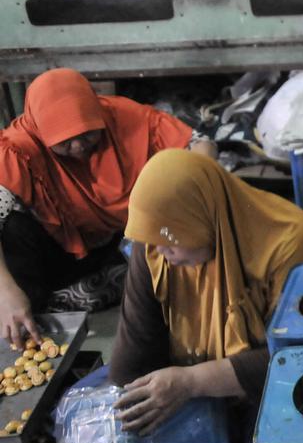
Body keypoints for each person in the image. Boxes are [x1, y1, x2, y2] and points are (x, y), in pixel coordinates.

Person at [109, 150, 303, 443]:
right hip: (199, 379)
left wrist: (190, 382)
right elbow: (131, 361)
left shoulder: (288, 245)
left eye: (168, 240)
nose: (159, 250)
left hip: (272, 386)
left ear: (199, 217)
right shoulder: (158, 244)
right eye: (151, 240)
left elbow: (301, 359)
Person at [0, 68, 215, 347]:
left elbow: (201, 143)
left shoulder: (123, 118)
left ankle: (112, 278)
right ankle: (28, 316)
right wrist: (6, 293)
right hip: (58, 246)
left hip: (118, 238)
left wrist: (195, 193)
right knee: (14, 232)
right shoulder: (19, 146)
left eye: (87, 134)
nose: (78, 147)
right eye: (64, 142)